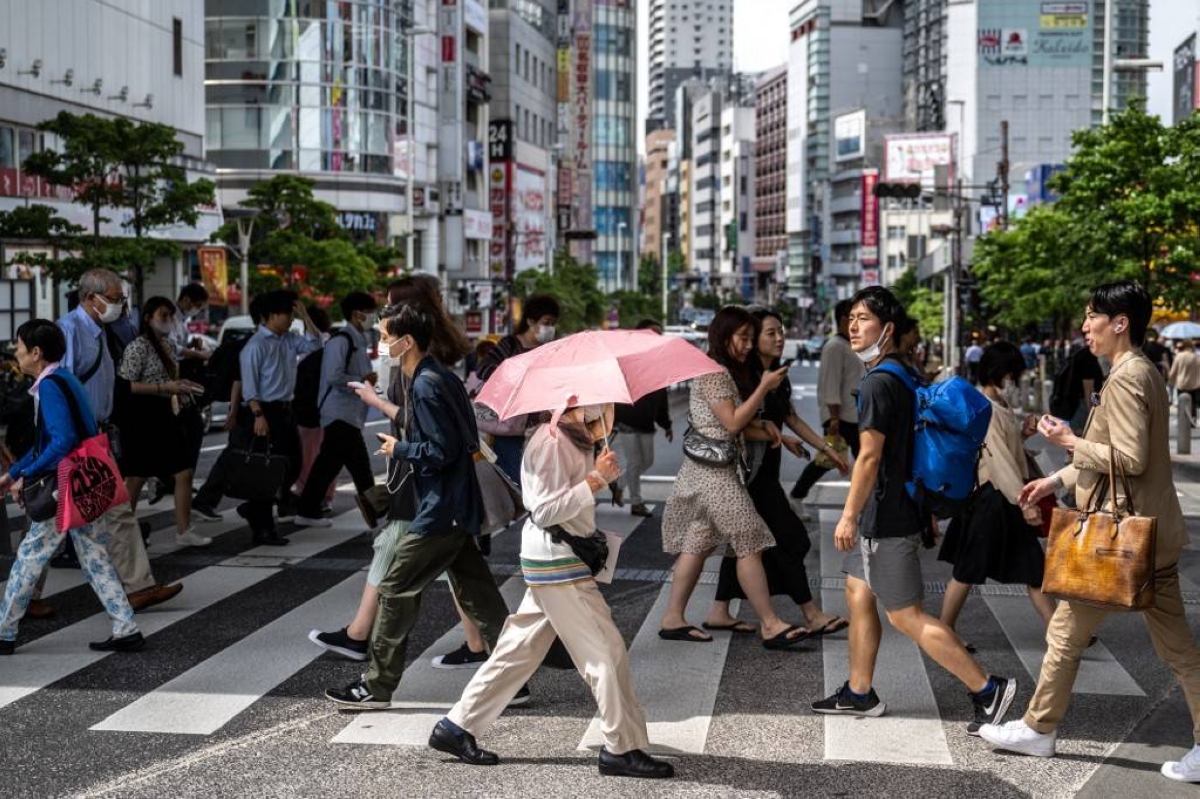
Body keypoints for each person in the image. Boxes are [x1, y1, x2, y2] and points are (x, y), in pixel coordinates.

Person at [980, 282, 1200, 781]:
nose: (1084, 327)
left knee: (1065, 631)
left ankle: (1038, 729)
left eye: (1091, 317)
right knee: (1178, 650)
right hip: (1148, 535)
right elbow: (1112, 459)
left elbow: (1129, 459)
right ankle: (1039, 728)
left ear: (1120, 322)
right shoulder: (1139, 371)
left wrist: (1067, 439)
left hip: (1117, 541)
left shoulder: (1126, 378)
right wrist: (1054, 478)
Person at [428, 402, 673, 779]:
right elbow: (543, 510)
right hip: (557, 562)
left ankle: (456, 726)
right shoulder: (553, 439)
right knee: (605, 653)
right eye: (603, 399)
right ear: (575, 398)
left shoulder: (574, 436)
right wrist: (594, 481)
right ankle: (621, 748)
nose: (609, 406)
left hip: (557, 558)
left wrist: (597, 471)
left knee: (516, 652)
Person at [812, 287, 1016, 736]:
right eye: (850, 317)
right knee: (858, 591)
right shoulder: (900, 374)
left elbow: (869, 457)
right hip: (897, 506)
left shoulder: (878, 382)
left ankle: (988, 689)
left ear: (886, 328)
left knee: (905, 615)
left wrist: (848, 515)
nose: (853, 325)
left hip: (886, 514)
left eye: (864, 318)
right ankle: (860, 692)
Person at [324, 304, 512, 708]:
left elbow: (441, 450)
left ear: (406, 342)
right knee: (480, 595)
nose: (380, 344)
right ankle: (517, 677)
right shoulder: (437, 377)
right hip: (455, 504)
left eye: (384, 336)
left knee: (394, 588)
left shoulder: (426, 384)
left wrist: (400, 447)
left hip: (440, 509)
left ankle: (376, 687)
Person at [658, 305, 807, 648]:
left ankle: (673, 618)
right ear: (723, 336)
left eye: (751, 339)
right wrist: (764, 387)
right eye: (743, 338)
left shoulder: (721, 371)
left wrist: (774, 433)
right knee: (750, 541)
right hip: (714, 478)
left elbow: (730, 427)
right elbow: (732, 423)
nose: (748, 345)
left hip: (712, 472)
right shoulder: (714, 373)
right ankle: (770, 624)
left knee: (697, 545)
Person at [0, 320, 143, 654]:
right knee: (94, 556)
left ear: (35, 352)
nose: (16, 353)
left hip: (62, 487)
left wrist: (26, 475)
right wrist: (15, 472)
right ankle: (126, 627)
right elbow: (58, 438)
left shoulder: (49, 386)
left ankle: (4, 632)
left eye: (19, 346)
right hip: (84, 481)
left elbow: (61, 440)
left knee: (30, 556)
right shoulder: (65, 378)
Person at [706, 306, 850, 636]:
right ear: (753, 340)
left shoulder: (777, 376)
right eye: (771, 333)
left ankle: (718, 610)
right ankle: (811, 614)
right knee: (791, 539)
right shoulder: (745, 377)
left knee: (742, 546)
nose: (780, 338)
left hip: (765, 472)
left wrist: (827, 449)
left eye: (781, 331)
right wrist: (774, 430)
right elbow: (734, 424)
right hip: (747, 476)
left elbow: (791, 418)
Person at [58, 269, 181, 611]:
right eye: (113, 299)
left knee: (117, 509)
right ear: (90, 297)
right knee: (50, 523)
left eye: (121, 299)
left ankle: (139, 585)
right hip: (74, 436)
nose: (119, 306)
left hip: (97, 434)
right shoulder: (69, 331)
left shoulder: (102, 330)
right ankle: (24, 600)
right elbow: (60, 388)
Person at [937, 342, 1054, 642]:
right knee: (969, 569)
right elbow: (999, 461)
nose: (1013, 381)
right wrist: (1025, 502)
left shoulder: (993, 403)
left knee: (1031, 567)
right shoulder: (983, 406)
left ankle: (1058, 632)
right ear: (1001, 372)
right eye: (1012, 374)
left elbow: (1003, 450)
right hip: (992, 498)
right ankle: (944, 630)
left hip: (998, 497)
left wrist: (1022, 433)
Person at [117, 296, 211, 548]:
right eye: (163, 316)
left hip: (164, 413)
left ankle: (184, 530)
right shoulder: (137, 347)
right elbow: (125, 386)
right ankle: (123, 534)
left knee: (184, 472)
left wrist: (180, 389)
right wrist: (163, 387)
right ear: (148, 318)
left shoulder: (168, 346)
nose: (168, 321)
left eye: (170, 316)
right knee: (135, 477)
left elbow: (170, 380)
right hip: (140, 417)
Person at [234, 290, 322, 545]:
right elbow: (249, 386)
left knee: (292, 464)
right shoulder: (255, 346)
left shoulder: (288, 340)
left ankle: (256, 511)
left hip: (285, 409)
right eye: (287, 315)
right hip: (263, 410)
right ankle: (263, 528)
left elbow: (315, 343)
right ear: (270, 316)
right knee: (266, 471)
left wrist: (305, 315)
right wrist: (258, 415)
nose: (290, 320)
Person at [295, 292, 381, 529]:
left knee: (329, 464)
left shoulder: (358, 339)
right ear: (357, 314)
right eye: (370, 312)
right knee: (360, 466)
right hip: (338, 413)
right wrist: (361, 380)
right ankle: (378, 513)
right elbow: (334, 376)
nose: (373, 317)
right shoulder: (341, 340)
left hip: (348, 413)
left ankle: (307, 508)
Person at [191, 295, 265, 522]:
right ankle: (205, 501)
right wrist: (235, 412)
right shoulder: (254, 345)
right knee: (236, 454)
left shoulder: (261, 342)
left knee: (253, 456)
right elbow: (239, 381)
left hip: (252, 408)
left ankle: (260, 505)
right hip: (249, 409)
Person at [475, 295, 561, 483]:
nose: (550, 328)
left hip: (540, 429)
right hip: (509, 429)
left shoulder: (550, 350)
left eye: (553, 323)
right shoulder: (510, 345)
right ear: (530, 321)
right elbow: (484, 369)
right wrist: (516, 378)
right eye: (546, 322)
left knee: (537, 484)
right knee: (515, 482)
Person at [791, 300, 864, 504]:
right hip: (840, 416)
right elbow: (831, 384)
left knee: (857, 458)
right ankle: (797, 495)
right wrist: (833, 418)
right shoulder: (835, 346)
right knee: (828, 460)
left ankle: (864, 500)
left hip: (853, 414)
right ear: (843, 320)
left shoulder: (850, 344)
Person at [615, 319, 673, 518]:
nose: (656, 337)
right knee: (634, 462)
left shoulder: (659, 361)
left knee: (647, 461)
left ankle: (619, 485)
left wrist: (666, 424)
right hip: (627, 418)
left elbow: (662, 396)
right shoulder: (627, 359)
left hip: (647, 422)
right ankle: (636, 502)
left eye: (659, 333)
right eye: (652, 333)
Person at [291, 305, 335, 515]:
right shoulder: (330, 342)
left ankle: (307, 493)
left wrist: (305, 316)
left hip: (309, 407)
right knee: (323, 453)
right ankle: (324, 495)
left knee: (308, 454)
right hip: (323, 407)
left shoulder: (321, 341)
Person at [1168, 339, 1200, 422]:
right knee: (1193, 403)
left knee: (1182, 402)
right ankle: (1193, 419)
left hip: (1181, 383)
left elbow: (1173, 372)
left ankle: (1182, 420)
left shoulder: (1179, 356)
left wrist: (1170, 381)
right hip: (1195, 384)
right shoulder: (1197, 356)